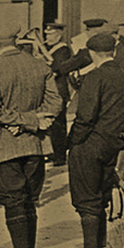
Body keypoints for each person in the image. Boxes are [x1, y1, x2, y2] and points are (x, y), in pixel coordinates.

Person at [0, 26, 60, 248]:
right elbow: (55, 103)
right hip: (35, 145)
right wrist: (35, 121)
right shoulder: (39, 66)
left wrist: (22, 122)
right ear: (16, 40)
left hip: (5, 146)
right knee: (29, 202)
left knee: (14, 203)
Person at [62, 32, 124, 248]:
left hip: (90, 145)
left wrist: (72, 142)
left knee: (87, 202)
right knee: (101, 200)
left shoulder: (95, 77)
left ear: (92, 53)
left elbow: (85, 116)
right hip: (112, 145)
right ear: (112, 51)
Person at [43, 22, 74, 167]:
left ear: (59, 35)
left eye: (50, 35)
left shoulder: (63, 49)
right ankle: (53, 152)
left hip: (58, 91)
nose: (47, 37)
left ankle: (60, 155)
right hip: (50, 91)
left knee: (58, 125)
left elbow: (57, 69)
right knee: (50, 124)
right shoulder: (50, 49)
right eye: (47, 34)